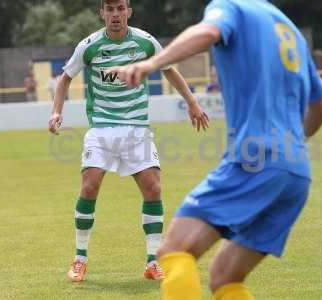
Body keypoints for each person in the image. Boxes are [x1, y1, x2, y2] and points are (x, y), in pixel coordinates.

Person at [109, 0, 322, 299]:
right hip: (296, 172)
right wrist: (290, 147)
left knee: (175, 250)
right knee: (225, 276)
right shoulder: (288, 28)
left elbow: (208, 32)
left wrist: (151, 63)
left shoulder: (231, 7)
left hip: (256, 160)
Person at [48, 0, 209, 283]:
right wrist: (57, 111)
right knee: (89, 186)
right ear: (102, 14)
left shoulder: (146, 42)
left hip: (136, 130)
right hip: (101, 129)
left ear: (128, 12)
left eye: (120, 8)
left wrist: (192, 103)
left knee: (153, 188)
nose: (115, 15)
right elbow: (64, 78)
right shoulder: (89, 46)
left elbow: (169, 69)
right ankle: (80, 258)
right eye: (109, 9)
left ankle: (152, 262)